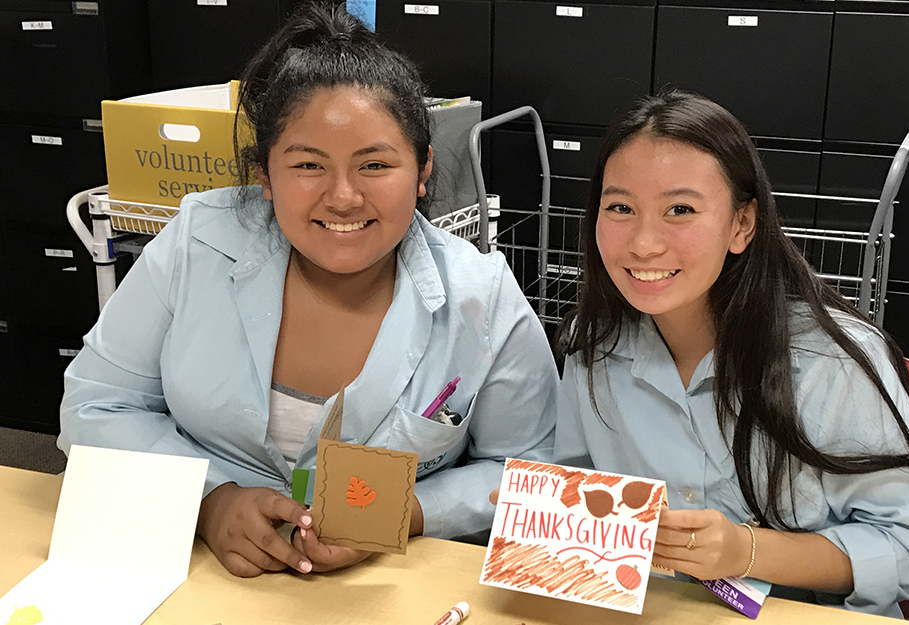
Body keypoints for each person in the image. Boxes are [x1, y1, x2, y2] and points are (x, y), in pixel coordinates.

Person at [59, 2, 556, 578]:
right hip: (198, 575)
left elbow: (529, 471)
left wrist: (408, 511)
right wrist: (208, 500)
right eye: (308, 166)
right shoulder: (198, 242)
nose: (343, 197)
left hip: (385, 592)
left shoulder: (482, 298)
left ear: (421, 172)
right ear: (265, 177)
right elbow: (97, 403)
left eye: (374, 165)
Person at [553, 90, 909, 617]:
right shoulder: (594, 344)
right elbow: (579, 489)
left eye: (680, 209)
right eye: (620, 208)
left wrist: (746, 551)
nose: (644, 243)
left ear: (742, 224)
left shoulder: (832, 362)